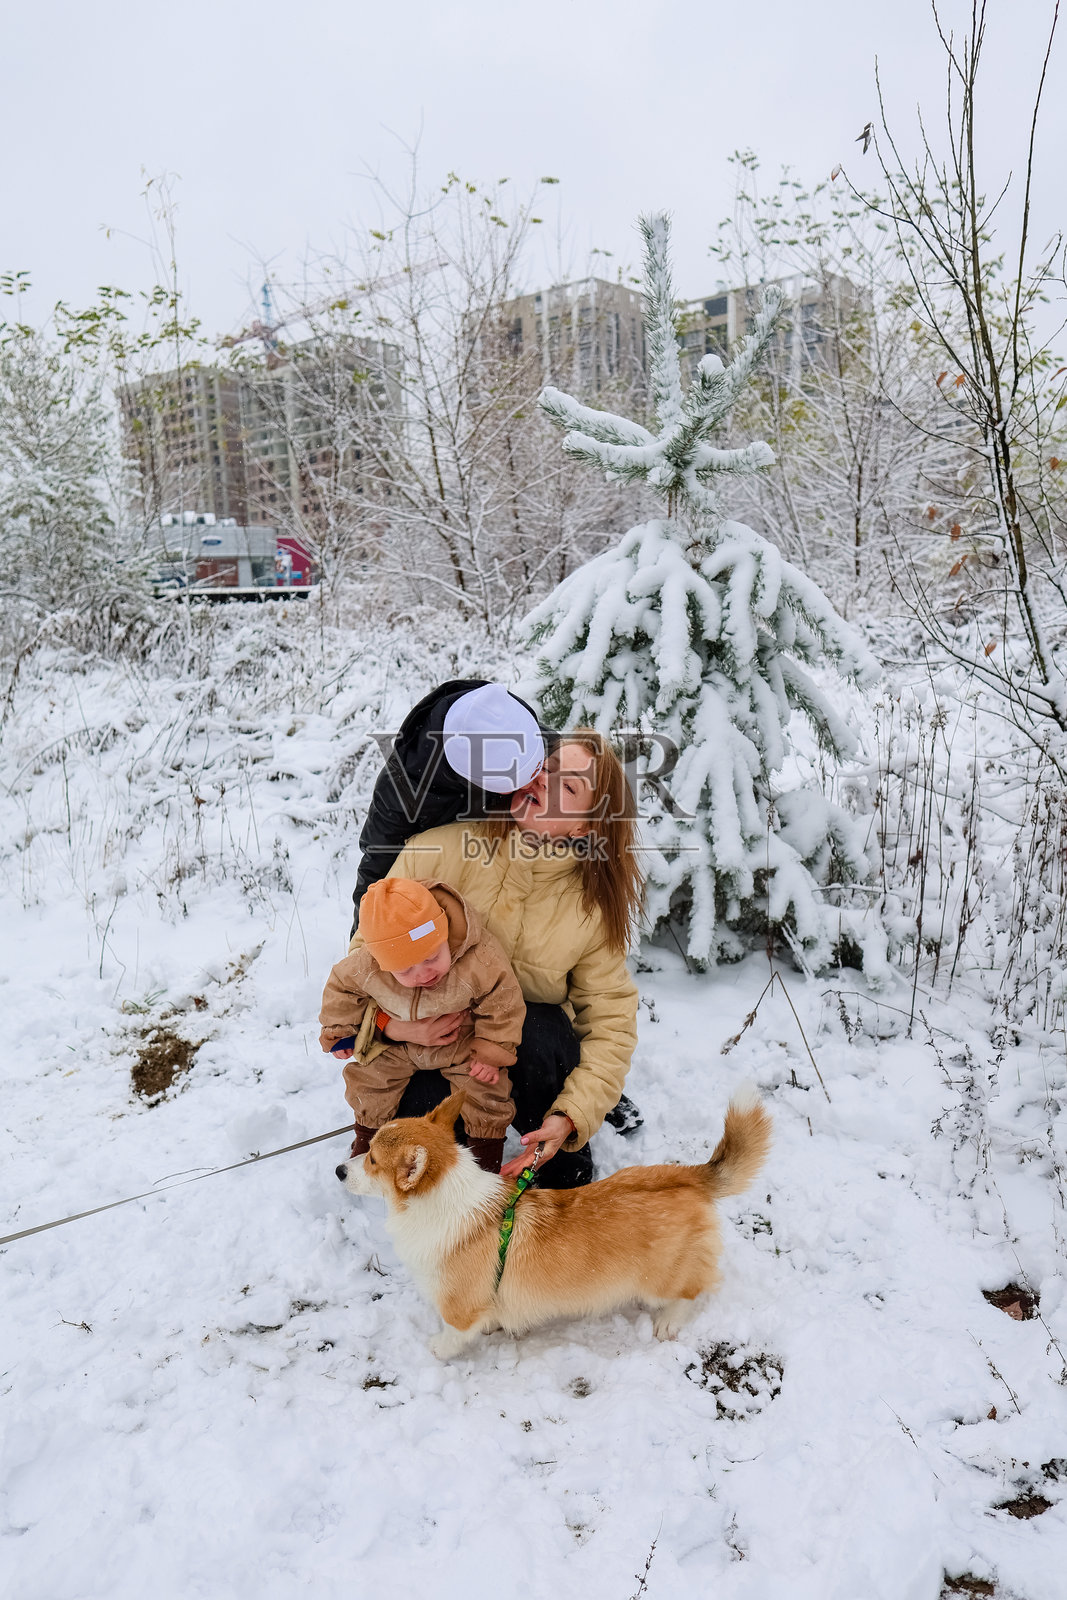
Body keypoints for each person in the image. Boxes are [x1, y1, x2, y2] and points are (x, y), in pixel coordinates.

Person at [347, 730, 644, 1188]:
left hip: (525, 1061)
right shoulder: (434, 852)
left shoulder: (590, 907)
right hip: (434, 1050)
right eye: (545, 768)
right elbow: (360, 968)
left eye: (567, 786)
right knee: (419, 1141)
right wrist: (395, 1027)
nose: (543, 781)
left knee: (542, 1027)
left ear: (584, 827)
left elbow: (611, 1022)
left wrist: (571, 1115)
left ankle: (561, 1179)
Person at [320, 877, 525, 1175]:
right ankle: (368, 1141)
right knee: (369, 1079)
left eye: (432, 957)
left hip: (461, 1042)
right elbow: (341, 987)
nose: (423, 973)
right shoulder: (366, 964)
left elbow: (503, 1000)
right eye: (405, 970)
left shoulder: (479, 958)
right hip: (399, 1045)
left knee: (484, 1090)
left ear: (444, 935)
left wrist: (492, 1050)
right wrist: (340, 1031)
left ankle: (485, 1157)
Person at [350, 680, 550, 928]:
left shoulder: (517, 727)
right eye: (518, 782)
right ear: (476, 780)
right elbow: (376, 875)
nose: (539, 782)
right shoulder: (401, 793)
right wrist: (364, 942)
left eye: (542, 766)